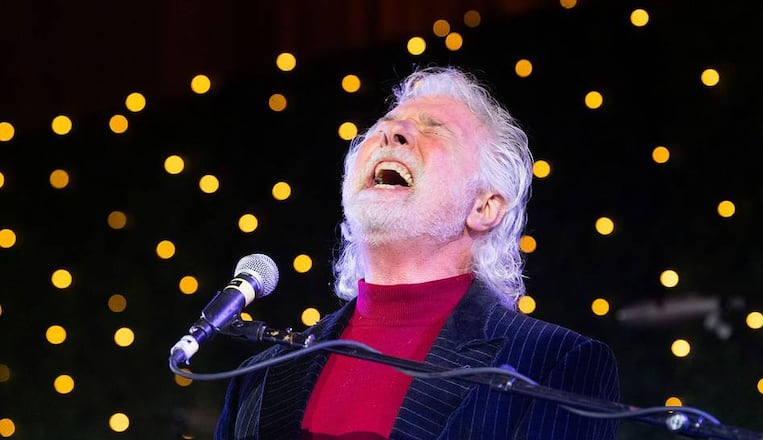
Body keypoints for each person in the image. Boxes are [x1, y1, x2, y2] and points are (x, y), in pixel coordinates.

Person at [214, 66, 620, 439]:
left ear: (484, 207)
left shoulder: (553, 363)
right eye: (383, 127)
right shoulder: (261, 374)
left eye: (434, 129)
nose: (393, 134)